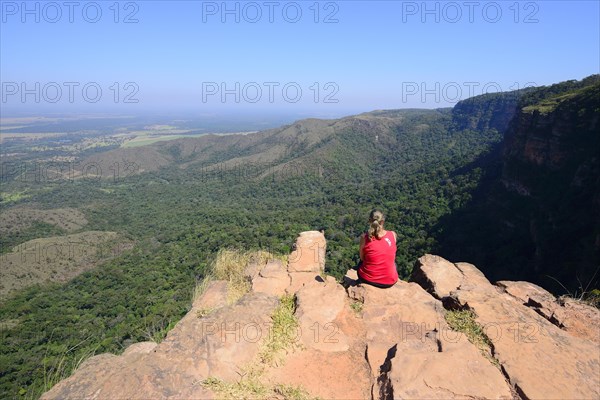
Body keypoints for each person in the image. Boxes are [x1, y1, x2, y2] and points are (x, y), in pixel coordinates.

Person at [357, 209, 398, 288]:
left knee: (360, 263)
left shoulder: (364, 238)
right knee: (394, 263)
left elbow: (362, 258)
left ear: (369, 221)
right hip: (390, 282)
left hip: (368, 279)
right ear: (382, 221)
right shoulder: (393, 235)